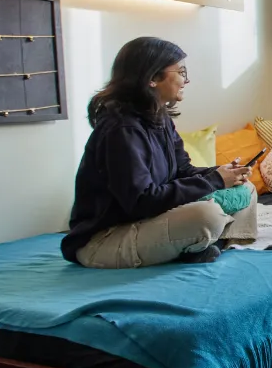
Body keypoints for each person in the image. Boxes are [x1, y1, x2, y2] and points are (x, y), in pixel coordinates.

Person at [61, 37, 256, 268]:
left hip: (146, 223)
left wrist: (224, 174)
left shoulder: (159, 119)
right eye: (180, 71)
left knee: (245, 188)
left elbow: (183, 170)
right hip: (105, 240)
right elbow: (141, 201)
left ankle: (203, 245)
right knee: (206, 215)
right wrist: (214, 180)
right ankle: (199, 243)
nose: (186, 80)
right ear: (152, 78)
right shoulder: (121, 130)